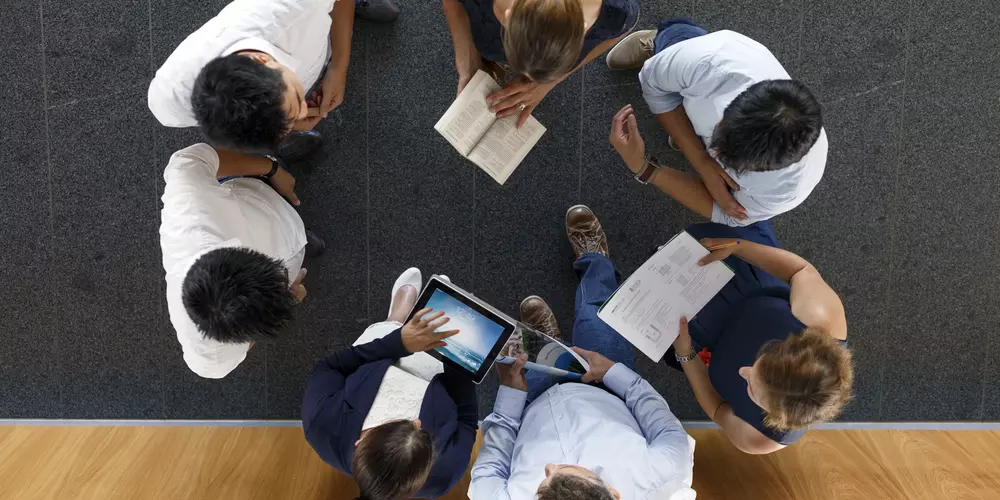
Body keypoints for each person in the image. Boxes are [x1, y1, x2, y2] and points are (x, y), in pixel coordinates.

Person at [470, 205, 696, 499]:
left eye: (542, 483)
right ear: (613, 493)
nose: (548, 465)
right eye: (561, 470)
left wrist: (511, 395)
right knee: (596, 313)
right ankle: (595, 260)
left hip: (531, 402)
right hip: (604, 386)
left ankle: (548, 342)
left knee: (528, 351)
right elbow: (666, 428)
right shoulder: (662, 473)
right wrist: (615, 373)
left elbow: (488, 474)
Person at [605, 19, 827, 226]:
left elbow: (728, 215)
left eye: (730, 165)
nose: (714, 151)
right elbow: (653, 85)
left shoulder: (785, 190)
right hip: (696, 59)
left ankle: (688, 123)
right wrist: (700, 160)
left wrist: (644, 168)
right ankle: (659, 40)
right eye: (718, 142)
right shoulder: (708, 59)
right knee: (678, 38)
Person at [665, 221, 853, 454]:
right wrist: (739, 247)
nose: (743, 372)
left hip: (702, 336)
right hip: (749, 278)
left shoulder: (760, 439)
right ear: (786, 346)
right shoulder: (822, 319)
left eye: (751, 390)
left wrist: (685, 354)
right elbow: (799, 271)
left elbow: (718, 409)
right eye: (758, 365)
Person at [302, 268, 479, 500]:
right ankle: (424, 319)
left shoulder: (320, 426)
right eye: (422, 431)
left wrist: (398, 342)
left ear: (361, 441)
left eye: (405, 423)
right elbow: (466, 420)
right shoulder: (444, 477)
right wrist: (459, 357)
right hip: (436, 378)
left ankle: (395, 319)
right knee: (448, 327)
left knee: (389, 330)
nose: (417, 420)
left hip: (378, 361)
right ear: (423, 480)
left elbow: (330, 367)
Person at [148, 0, 397, 163]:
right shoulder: (170, 98)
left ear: (262, 60)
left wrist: (339, 66)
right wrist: (287, 125)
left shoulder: (296, 6)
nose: (305, 109)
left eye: (297, 99)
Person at [160, 144, 324, 378]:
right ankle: (299, 234)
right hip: (276, 230)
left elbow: (198, 158)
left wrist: (272, 169)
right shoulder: (209, 357)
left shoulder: (189, 201)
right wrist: (286, 300)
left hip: (253, 198)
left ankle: (275, 160)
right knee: (296, 245)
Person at [442, 0, 638, 127]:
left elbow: (620, 30)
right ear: (509, 16)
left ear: (583, 28)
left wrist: (547, 84)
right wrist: (466, 60)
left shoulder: (616, 11)